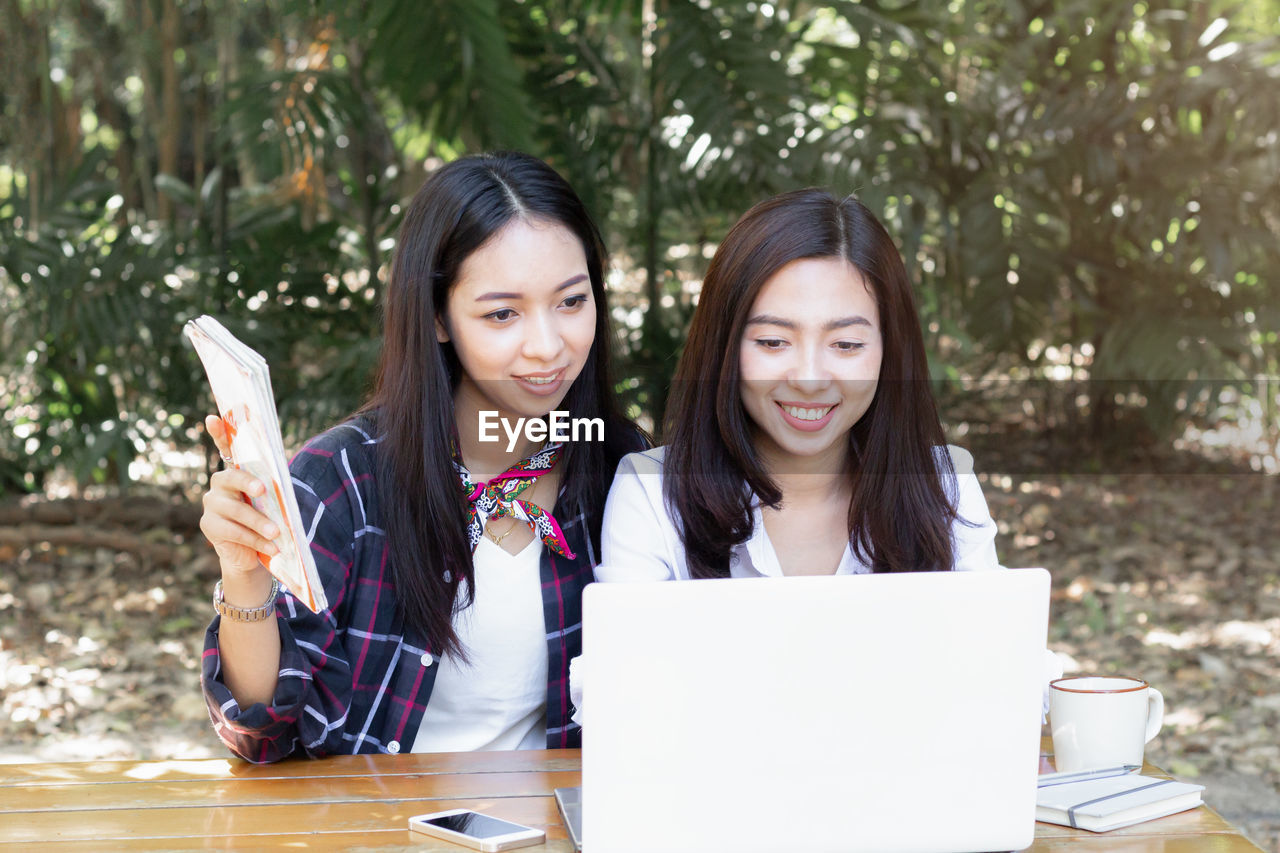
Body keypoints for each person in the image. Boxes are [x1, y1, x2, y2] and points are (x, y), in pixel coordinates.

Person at [198, 151, 644, 763]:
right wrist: (244, 573)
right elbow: (260, 734)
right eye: (502, 313)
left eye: (571, 301)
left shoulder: (619, 466)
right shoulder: (342, 481)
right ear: (438, 316)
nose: (548, 346)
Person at [600, 188, 999, 581]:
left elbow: (996, 640)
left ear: (890, 352)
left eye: (845, 345)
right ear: (724, 347)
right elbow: (628, 644)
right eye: (773, 342)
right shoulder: (652, 495)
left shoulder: (946, 489)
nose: (809, 379)